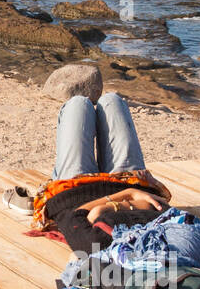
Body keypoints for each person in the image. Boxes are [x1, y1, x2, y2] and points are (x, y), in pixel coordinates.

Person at [35, 93, 172, 254]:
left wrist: (128, 196)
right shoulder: (164, 241)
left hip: (73, 191)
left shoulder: (97, 243)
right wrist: (128, 197)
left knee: (78, 104)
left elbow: (76, 217)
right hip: (128, 180)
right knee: (112, 100)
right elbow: (163, 209)